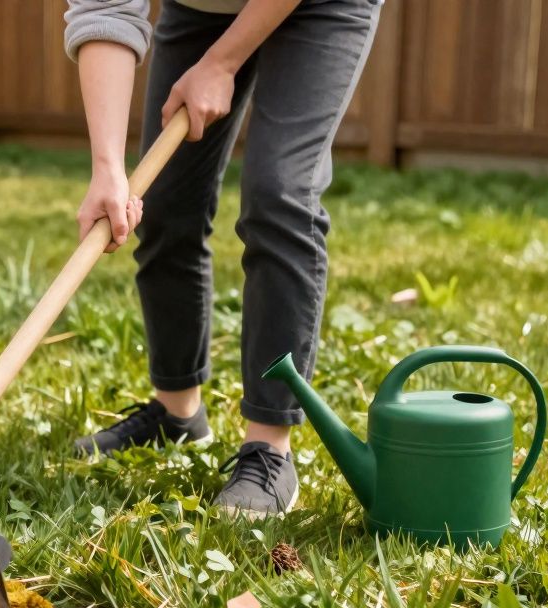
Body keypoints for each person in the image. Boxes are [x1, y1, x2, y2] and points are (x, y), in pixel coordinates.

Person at [63, 0, 381, 514]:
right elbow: (106, 10)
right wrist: (107, 167)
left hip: (321, 7)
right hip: (201, 8)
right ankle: (178, 412)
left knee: (279, 196)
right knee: (164, 200)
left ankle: (269, 447)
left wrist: (222, 62)